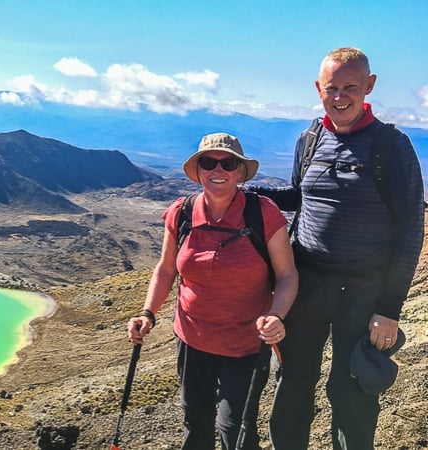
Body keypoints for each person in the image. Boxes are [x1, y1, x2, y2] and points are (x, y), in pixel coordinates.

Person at [251, 47, 425, 450]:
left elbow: (410, 230)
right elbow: (299, 195)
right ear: (318, 88)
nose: (340, 95)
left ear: (370, 85)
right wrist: (242, 194)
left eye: (351, 86)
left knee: (352, 391)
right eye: (332, 87)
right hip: (306, 282)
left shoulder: (392, 147)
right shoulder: (309, 139)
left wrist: (389, 309)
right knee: (292, 382)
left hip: (364, 292)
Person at [127, 132, 298, 450]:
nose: (218, 170)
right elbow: (166, 270)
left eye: (228, 163)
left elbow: (287, 275)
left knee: (235, 430)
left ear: (240, 171)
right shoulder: (182, 213)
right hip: (192, 341)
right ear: (198, 170)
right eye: (208, 162)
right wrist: (147, 312)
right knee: (195, 422)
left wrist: (277, 315)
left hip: (246, 345)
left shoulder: (262, 214)